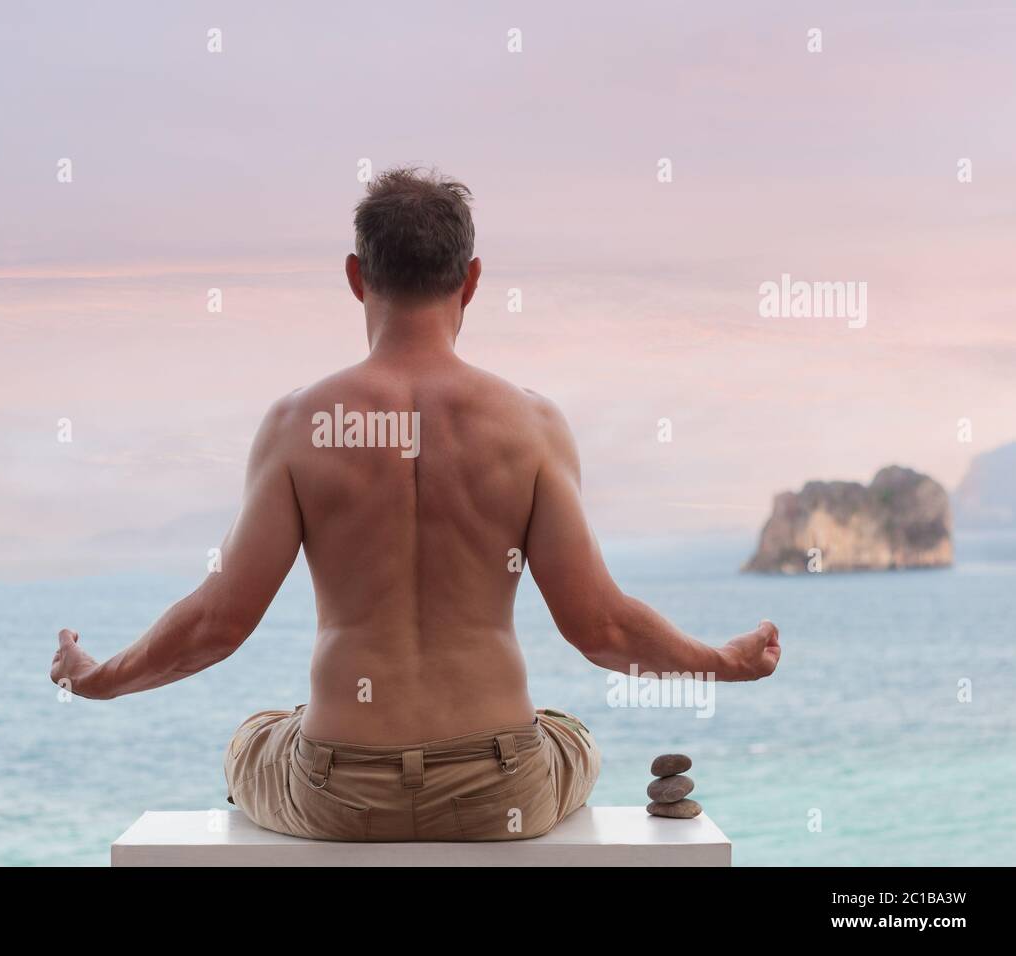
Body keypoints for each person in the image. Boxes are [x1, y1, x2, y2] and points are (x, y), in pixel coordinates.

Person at [49, 166, 781, 841]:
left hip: (341, 792)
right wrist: (724, 660)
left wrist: (98, 678)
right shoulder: (532, 426)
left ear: (356, 277)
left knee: (255, 737)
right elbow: (601, 629)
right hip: (498, 788)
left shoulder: (298, 424)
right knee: (569, 735)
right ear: (470, 280)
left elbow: (216, 625)